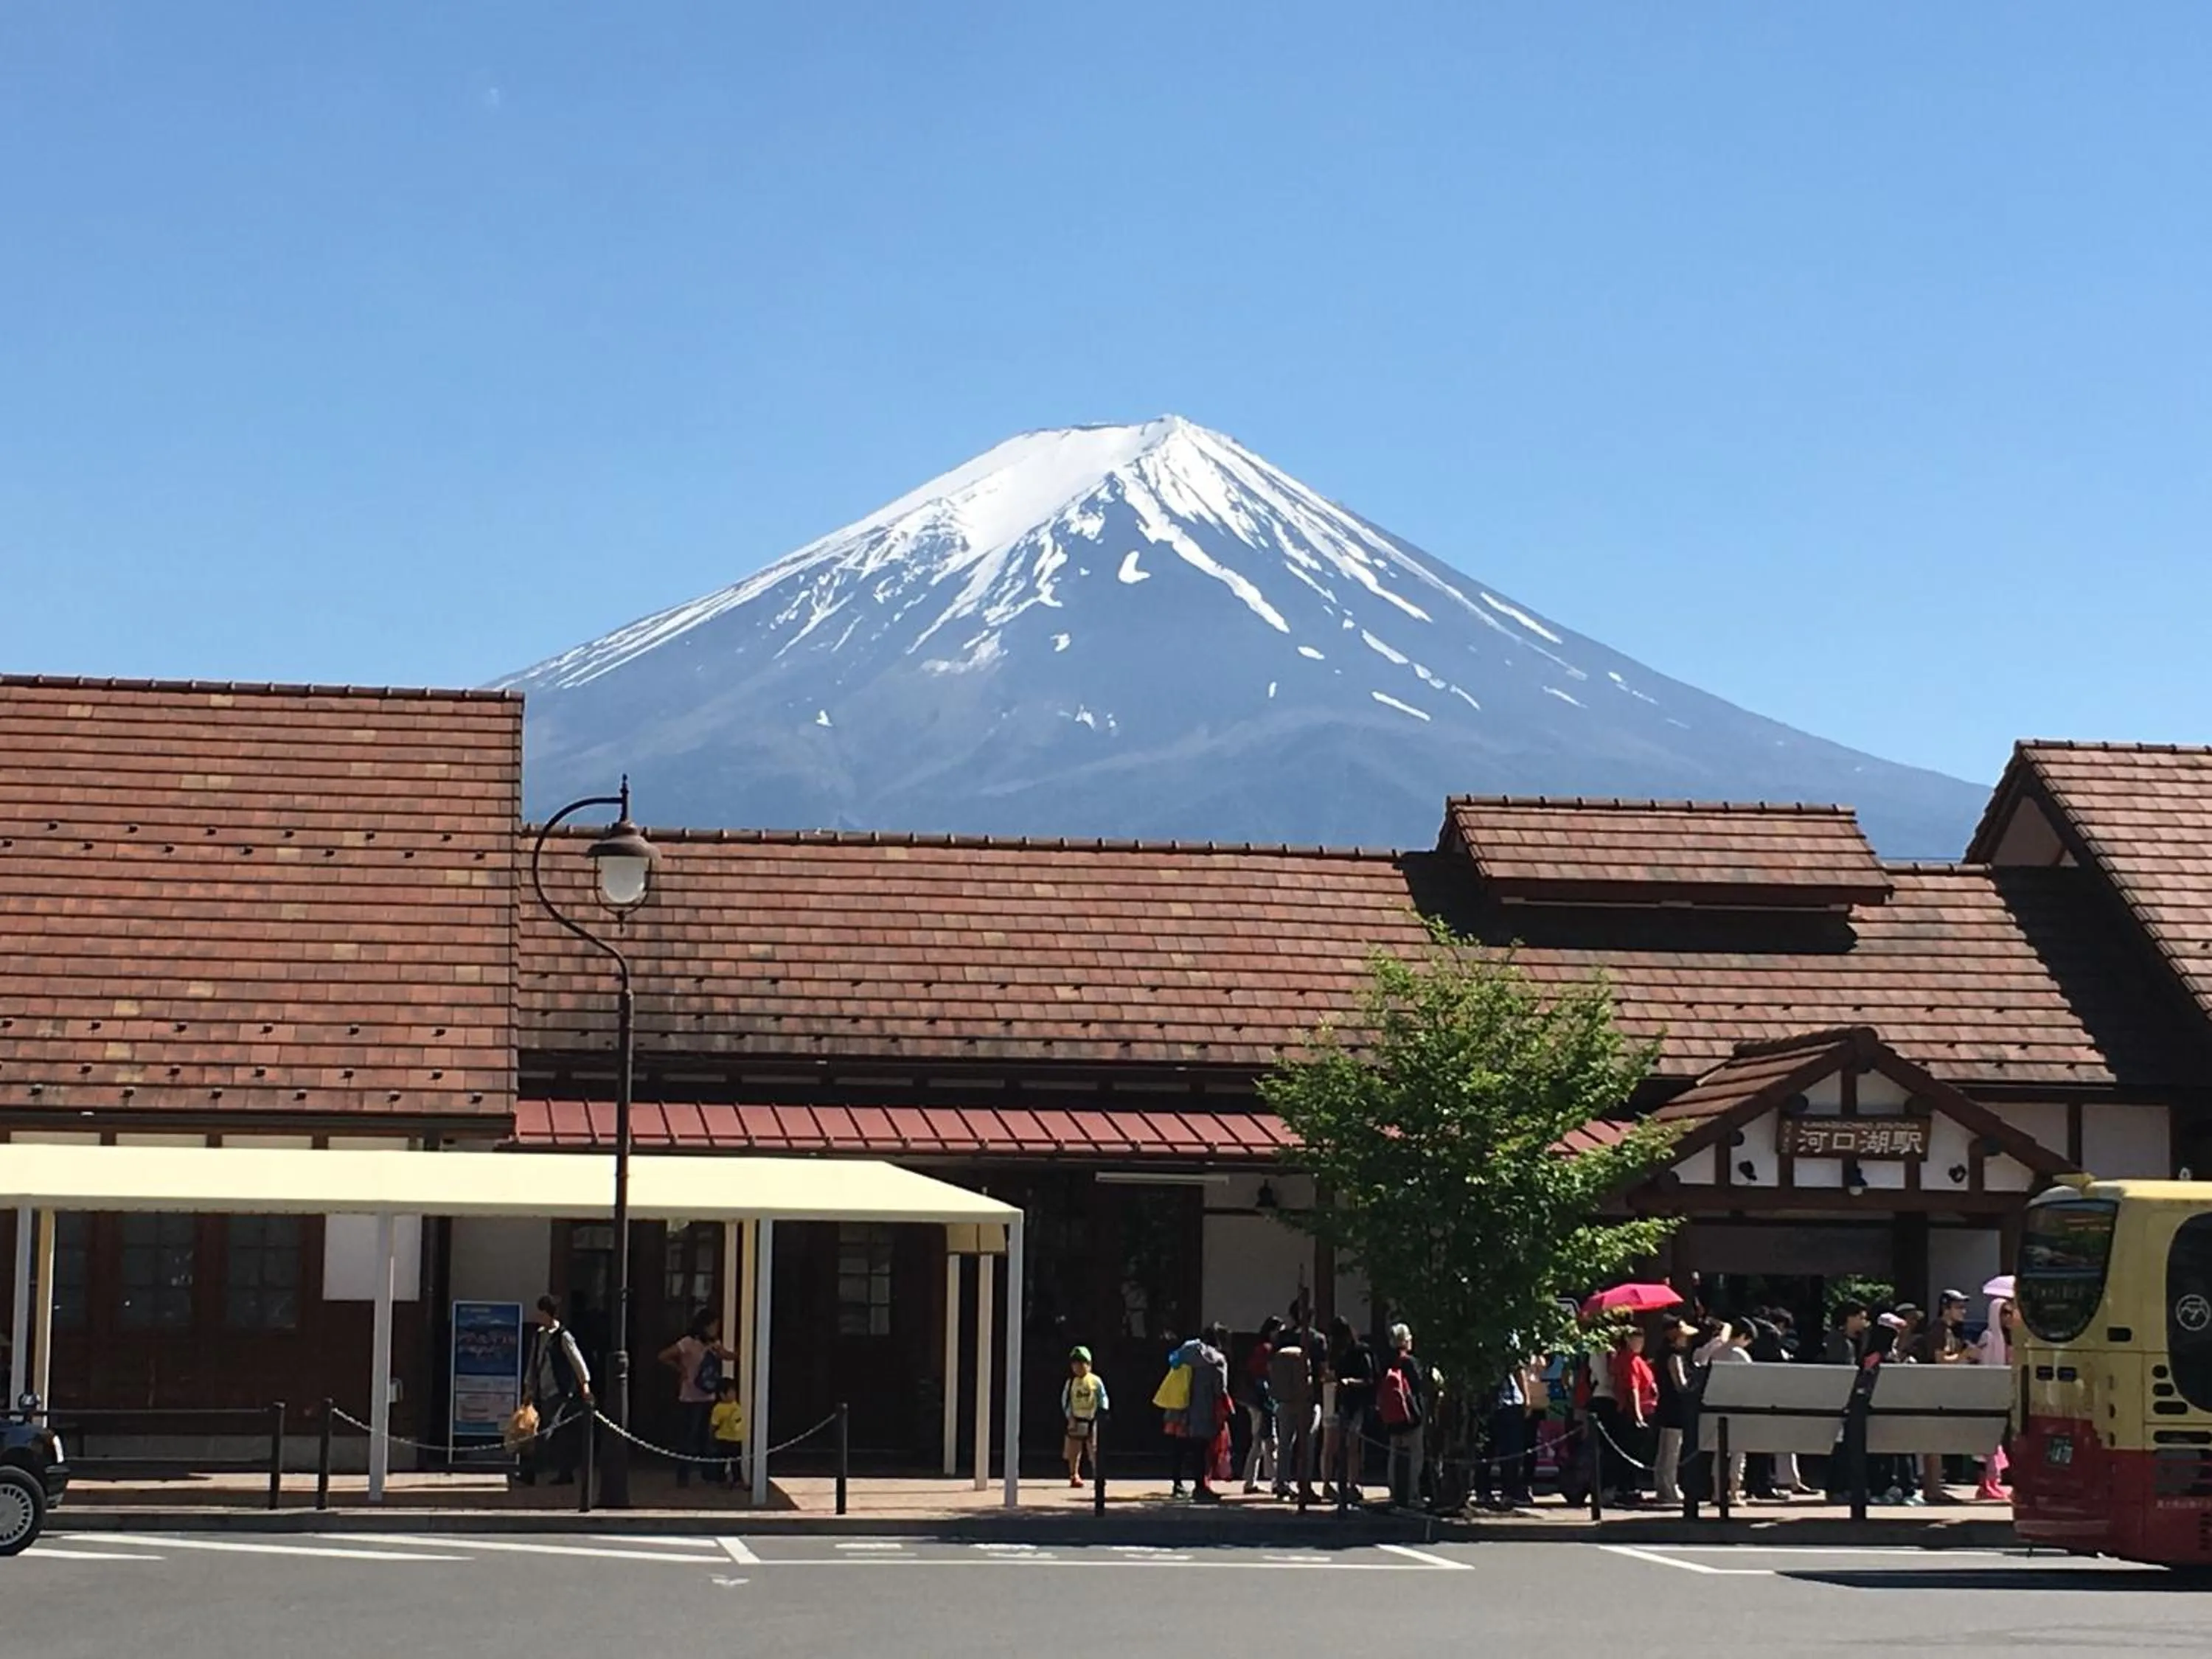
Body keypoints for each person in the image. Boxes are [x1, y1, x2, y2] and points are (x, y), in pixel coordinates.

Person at [658, 1308, 734, 1489]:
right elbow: (663, 1356)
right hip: (690, 1395)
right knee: (688, 1437)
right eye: (713, 1326)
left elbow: (727, 1356)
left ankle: (708, 1474)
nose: (716, 1329)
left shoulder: (714, 1344)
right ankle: (683, 1474)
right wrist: (681, 1369)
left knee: (706, 1436)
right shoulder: (688, 1343)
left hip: (708, 1394)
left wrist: (739, 1352)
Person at [521, 1294, 593, 1486]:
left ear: (548, 1314)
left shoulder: (563, 1336)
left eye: (541, 1312)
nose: (538, 1315)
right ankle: (559, 1472)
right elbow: (533, 1362)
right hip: (540, 1390)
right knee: (538, 1431)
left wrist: (584, 1385)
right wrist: (529, 1387)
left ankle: (535, 1472)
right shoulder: (538, 1335)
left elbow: (577, 1361)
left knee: (548, 1433)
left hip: (558, 1391)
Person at [1166, 1326, 1231, 1503]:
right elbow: (1220, 1389)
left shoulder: (1187, 1350)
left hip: (1180, 1405)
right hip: (1203, 1408)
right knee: (1200, 1448)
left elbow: (1172, 1361)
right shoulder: (1218, 1360)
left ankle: (1177, 1483)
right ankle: (1201, 1486)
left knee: (1179, 1446)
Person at [1693, 1318, 1754, 1504]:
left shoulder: (1716, 1352)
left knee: (1718, 1453)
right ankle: (1734, 1492)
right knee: (1738, 1453)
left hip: (1716, 1405)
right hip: (1738, 1407)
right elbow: (1751, 1380)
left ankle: (1717, 1493)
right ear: (1743, 1336)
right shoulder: (1740, 1355)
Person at [1268, 1315, 1321, 1501]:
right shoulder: (1317, 1339)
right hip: (1308, 1399)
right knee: (1307, 1443)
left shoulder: (1283, 1338)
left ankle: (1282, 1483)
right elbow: (1322, 1369)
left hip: (1284, 1398)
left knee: (1285, 1444)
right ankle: (1304, 1484)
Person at [1327, 1317, 1377, 1503]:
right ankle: (1341, 1483)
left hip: (1357, 1402)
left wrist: (1350, 1382)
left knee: (1353, 1445)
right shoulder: (1338, 1352)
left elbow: (1369, 1378)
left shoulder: (1361, 1352)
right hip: (1341, 1402)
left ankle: (1353, 1484)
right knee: (1338, 1445)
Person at [1608, 1327, 1659, 1506]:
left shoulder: (1637, 1359)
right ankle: (1627, 1490)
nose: (1640, 1343)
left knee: (1635, 1452)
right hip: (1633, 1412)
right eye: (1636, 1339)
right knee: (1631, 1453)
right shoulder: (1629, 1360)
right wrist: (1638, 1415)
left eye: (1642, 1339)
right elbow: (1633, 1388)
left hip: (1644, 1409)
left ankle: (1630, 1489)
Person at [1380, 1322, 1428, 1509]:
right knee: (1415, 1455)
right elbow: (1418, 1387)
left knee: (1395, 1453)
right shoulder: (1409, 1362)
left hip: (1392, 1415)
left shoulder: (1387, 1360)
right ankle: (1411, 1493)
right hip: (1410, 1415)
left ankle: (1395, 1491)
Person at [1653, 1320, 1697, 1506]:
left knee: (1664, 1449)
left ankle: (1662, 1486)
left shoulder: (1662, 1355)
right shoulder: (1674, 1357)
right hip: (1675, 1407)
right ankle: (1670, 1488)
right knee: (1671, 1450)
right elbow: (1681, 1385)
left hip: (1664, 1405)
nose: (1686, 1339)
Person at [1240, 1316, 1282, 1494]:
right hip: (1263, 1402)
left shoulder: (1259, 1349)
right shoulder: (1267, 1351)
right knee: (1269, 1442)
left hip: (1256, 1401)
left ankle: (1251, 1480)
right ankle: (1275, 1481)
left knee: (1258, 1442)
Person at [1062, 1346, 1109, 1487]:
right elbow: (1066, 1400)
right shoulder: (1071, 1383)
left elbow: (1102, 1397)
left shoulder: (1095, 1381)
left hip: (1092, 1418)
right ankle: (1074, 1475)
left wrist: (1103, 1412)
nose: (1078, 1367)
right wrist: (1069, 1416)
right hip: (1076, 1419)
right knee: (1074, 1449)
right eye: (1075, 1364)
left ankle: (1097, 1475)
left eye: (1082, 1363)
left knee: (1094, 1448)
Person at [709, 1377, 747, 1489]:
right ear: (722, 1394)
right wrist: (711, 1436)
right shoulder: (719, 1408)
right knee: (722, 1462)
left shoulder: (736, 1404)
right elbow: (714, 1424)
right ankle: (721, 1480)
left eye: (734, 1392)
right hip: (723, 1439)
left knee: (736, 1462)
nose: (733, 1394)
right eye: (730, 1392)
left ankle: (737, 1480)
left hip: (736, 1438)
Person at [1823, 1301, 1871, 1366]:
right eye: (1862, 1318)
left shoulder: (1863, 1340)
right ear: (1850, 1318)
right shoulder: (1837, 1341)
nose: (1865, 1322)